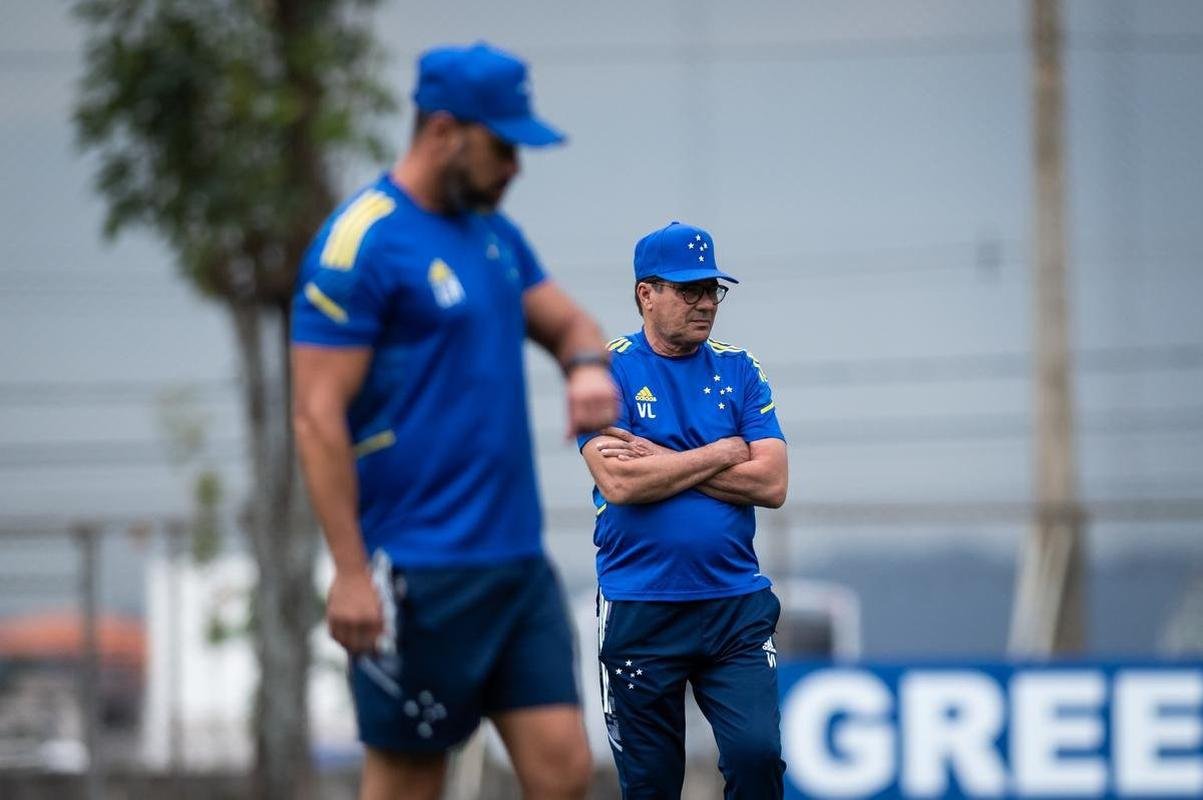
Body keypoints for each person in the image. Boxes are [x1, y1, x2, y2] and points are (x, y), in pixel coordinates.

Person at [291, 41, 617, 800]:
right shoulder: (360, 244)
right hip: (414, 575)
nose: (515, 168)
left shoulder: (496, 239)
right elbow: (314, 415)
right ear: (444, 131)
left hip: (515, 568)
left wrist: (587, 367)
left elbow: (572, 324)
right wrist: (346, 571)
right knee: (410, 784)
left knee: (564, 771)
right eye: (503, 146)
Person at [577, 220, 789, 798]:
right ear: (647, 293)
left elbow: (771, 482)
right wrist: (723, 452)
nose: (705, 303)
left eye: (712, 290)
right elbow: (620, 480)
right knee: (651, 785)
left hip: (732, 607)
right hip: (641, 605)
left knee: (758, 756)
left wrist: (665, 463)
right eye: (688, 289)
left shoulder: (739, 367)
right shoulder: (606, 367)